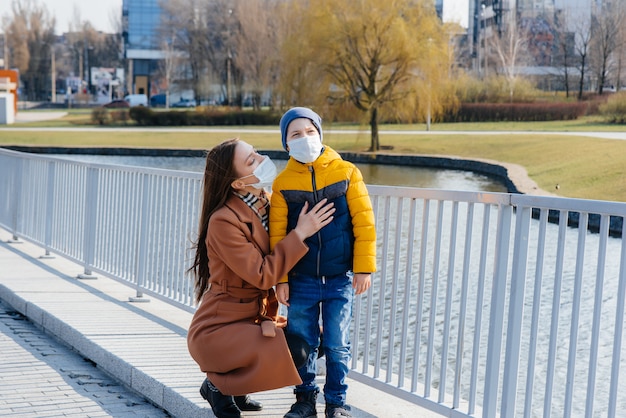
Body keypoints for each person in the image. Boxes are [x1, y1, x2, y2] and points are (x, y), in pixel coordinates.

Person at [187, 138, 336, 418]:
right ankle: (217, 385)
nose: (262, 159)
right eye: (251, 160)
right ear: (238, 184)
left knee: (323, 338)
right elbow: (261, 274)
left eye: (256, 153)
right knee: (299, 351)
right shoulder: (223, 221)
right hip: (220, 330)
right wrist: (300, 233)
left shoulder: (266, 202)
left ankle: (235, 387)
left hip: (254, 318)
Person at [269, 107, 377, 418]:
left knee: (336, 342)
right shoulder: (282, 183)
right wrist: (282, 279)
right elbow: (278, 235)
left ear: (320, 134)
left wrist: (363, 268)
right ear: (286, 144)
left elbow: (364, 223)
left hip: (339, 278)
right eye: (295, 134)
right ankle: (305, 400)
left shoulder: (346, 172)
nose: (305, 138)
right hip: (301, 279)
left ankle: (337, 403)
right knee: (301, 340)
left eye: (310, 131)